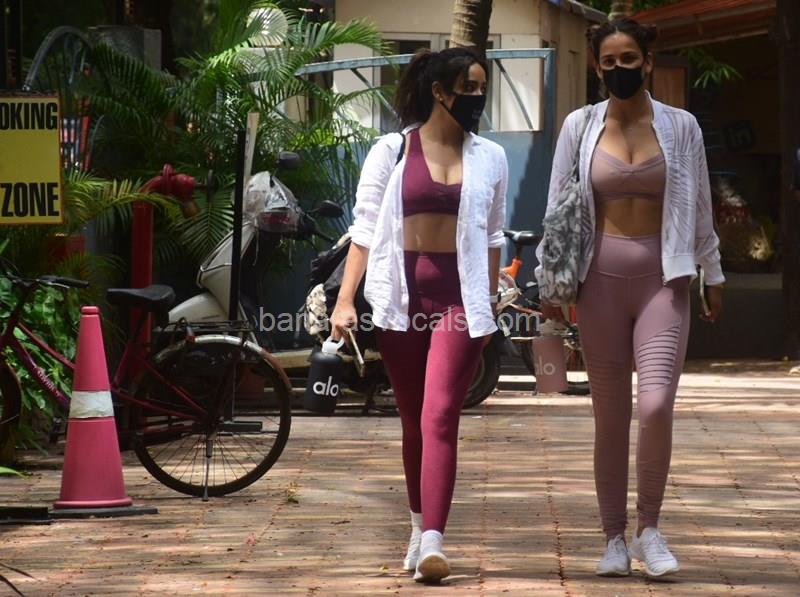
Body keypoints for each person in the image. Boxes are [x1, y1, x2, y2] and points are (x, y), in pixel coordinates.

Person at [536, 18, 725, 579]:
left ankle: (650, 528)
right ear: (598, 67)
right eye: (609, 61)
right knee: (611, 416)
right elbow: (557, 205)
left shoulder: (681, 126)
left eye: (629, 59)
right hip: (597, 283)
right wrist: (550, 283)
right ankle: (613, 537)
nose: (619, 69)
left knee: (657, 405)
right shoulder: (579, 126)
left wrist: (712, 271)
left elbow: (701, 201)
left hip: (664, 279)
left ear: (647, 61)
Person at [330, 47, 508, 583]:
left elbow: (493, 235)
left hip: (461, 300)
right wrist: (345, 300)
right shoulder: (391, 151)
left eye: (482, 88)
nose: (477, 97)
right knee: (412, 421)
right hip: (400, 299)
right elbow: (364, 230)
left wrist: (490, 300)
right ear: (439, 91)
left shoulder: (491, 157)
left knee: (440, 416)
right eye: (468, 88)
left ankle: (434, 539)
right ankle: (416, 525)